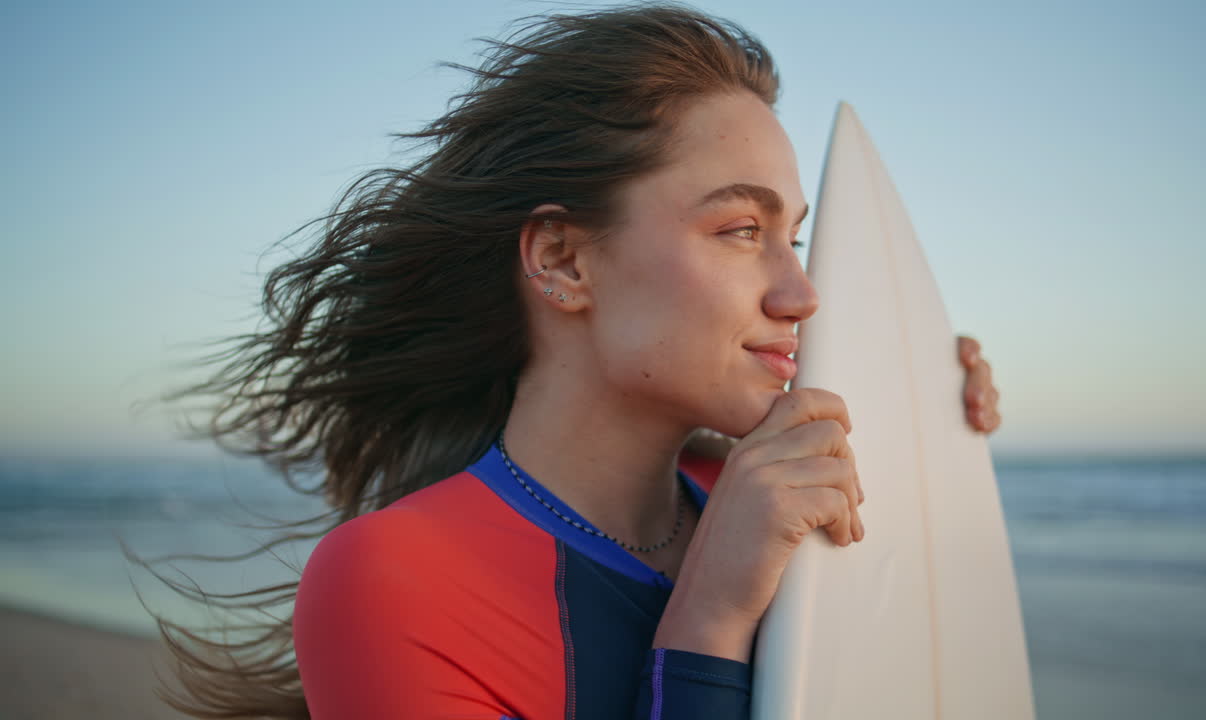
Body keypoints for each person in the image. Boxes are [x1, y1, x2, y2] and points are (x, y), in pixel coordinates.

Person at [153, 5, 1002, 720]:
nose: (802, 292)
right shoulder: (392, 583)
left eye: (797, 237)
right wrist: (705, 622)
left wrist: (924, 428)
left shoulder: (761, 498)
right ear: (562, 261)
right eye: (743, 230)